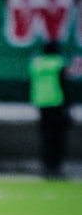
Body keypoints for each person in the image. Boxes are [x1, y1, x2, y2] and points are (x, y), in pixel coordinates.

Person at [29, 41, 71, 179]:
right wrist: (68, 106)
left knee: (46, 135)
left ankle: (46, 164)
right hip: (57, 102)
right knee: (57, 136)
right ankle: (56, 164)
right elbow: (63, 84)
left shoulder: (37, 64)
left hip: (41, 102)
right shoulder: (58, 63)